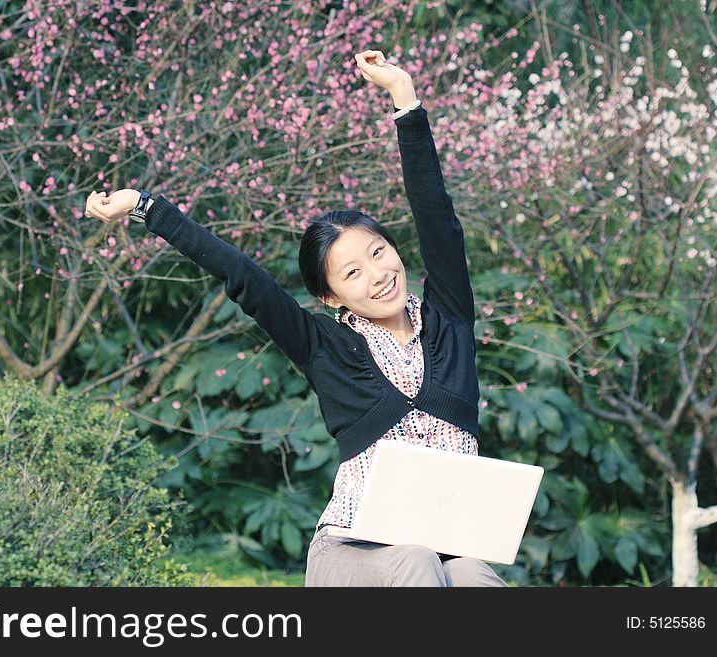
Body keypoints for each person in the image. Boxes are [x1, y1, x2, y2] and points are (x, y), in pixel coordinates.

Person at [85, 50, 506, 587]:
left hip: (447, 553)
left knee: (475, 577)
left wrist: (404, 96)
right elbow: (244, 278)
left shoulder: (451, 322)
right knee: (415, 559)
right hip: (353, 554)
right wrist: (148, 208)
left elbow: (437, 218)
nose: (377, 275)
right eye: (352, 272)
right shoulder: (322, 346)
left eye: (378, 253)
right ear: (331, 298)